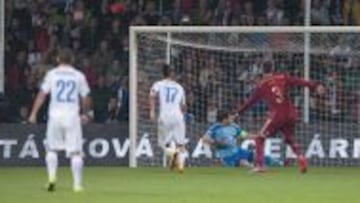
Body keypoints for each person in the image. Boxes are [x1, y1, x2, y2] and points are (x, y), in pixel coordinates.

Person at [238, 61, 325, 173]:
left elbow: (250, 102)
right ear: (273, 69)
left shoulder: (261, 86)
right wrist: (315, 85)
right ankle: (300, 156)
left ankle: (260, 166)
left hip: (277, 115)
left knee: (259, 138)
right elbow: (300, 82)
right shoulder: (282, 77)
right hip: (291, 114)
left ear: (262, 70)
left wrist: (238, 113)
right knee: (289, 138)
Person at [28, 48, 91, 192]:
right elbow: (86, 96)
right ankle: (77, 185)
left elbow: (42, 94)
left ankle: (51, 178)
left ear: (58, 59)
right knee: (75, 152)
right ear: (72, 60)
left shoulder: (52, 74)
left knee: (52, 149)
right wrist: (85, 113)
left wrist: (33, 113)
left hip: (55, 116)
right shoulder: (78, 75)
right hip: (72, 116)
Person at [201, 111, 282, 168]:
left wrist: (257, 136)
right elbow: (205, 138)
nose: (231, 120)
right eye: (229, 118)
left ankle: (279, 165)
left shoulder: (234, 126)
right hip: (227, 156)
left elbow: (245, 135)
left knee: (260, 157)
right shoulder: (215, 127)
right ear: (224, 119)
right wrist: (217, 143)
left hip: (238, 151)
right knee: (244, 164)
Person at [149, 64, 187, 173]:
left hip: (164, 116)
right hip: (178, 116)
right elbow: (183, 105)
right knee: (181, 144)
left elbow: (152, 96)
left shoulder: (158, 84)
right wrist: (183, 116)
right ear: (172, 74)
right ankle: (181, 166)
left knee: (163, 143)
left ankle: (173, 154)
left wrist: (152, 111)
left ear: (163, 73)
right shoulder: (179, 87)